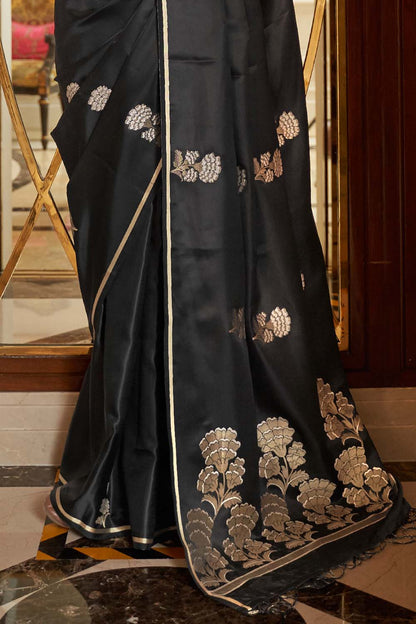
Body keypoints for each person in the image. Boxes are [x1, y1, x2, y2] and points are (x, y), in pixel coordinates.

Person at [45, 0, 416, 616]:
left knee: (220, 242)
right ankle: (139, 491)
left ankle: (188, 485)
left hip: (219, 46)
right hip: (137, 51)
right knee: (141, 249)